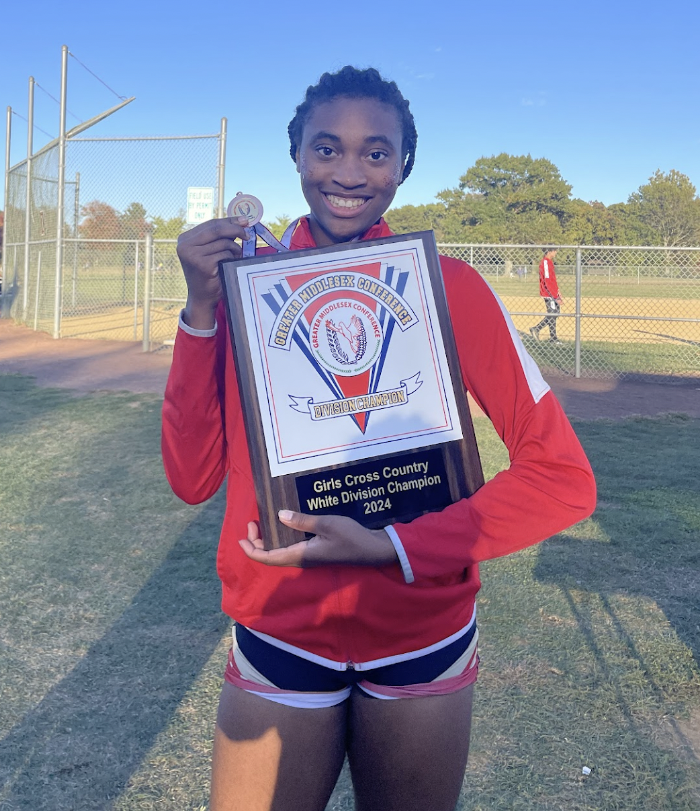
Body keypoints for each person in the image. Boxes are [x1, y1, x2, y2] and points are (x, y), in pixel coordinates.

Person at [161, 67, 595, 811]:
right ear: (296, 155)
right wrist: (203, 309)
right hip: (282, 627)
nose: (350, 174)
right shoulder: (247, 289)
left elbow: (562, 478)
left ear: (403, 166)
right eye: (327, 149)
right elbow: (193, 478)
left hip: (419, 630)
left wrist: (390, 544)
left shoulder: (449, 289)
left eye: (377, 153)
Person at [530, 247, 562, 343]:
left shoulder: (550, 262)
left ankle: (552, 337)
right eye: (554, 251)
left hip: (553, 292)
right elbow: (547, 281)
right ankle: (538, 330)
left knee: (555, 313)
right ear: (549, 252)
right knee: (552, 313)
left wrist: (558, 291)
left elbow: (553, 280)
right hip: (548, 294)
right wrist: (554, 296)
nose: (555, 253)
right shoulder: (545, 263)